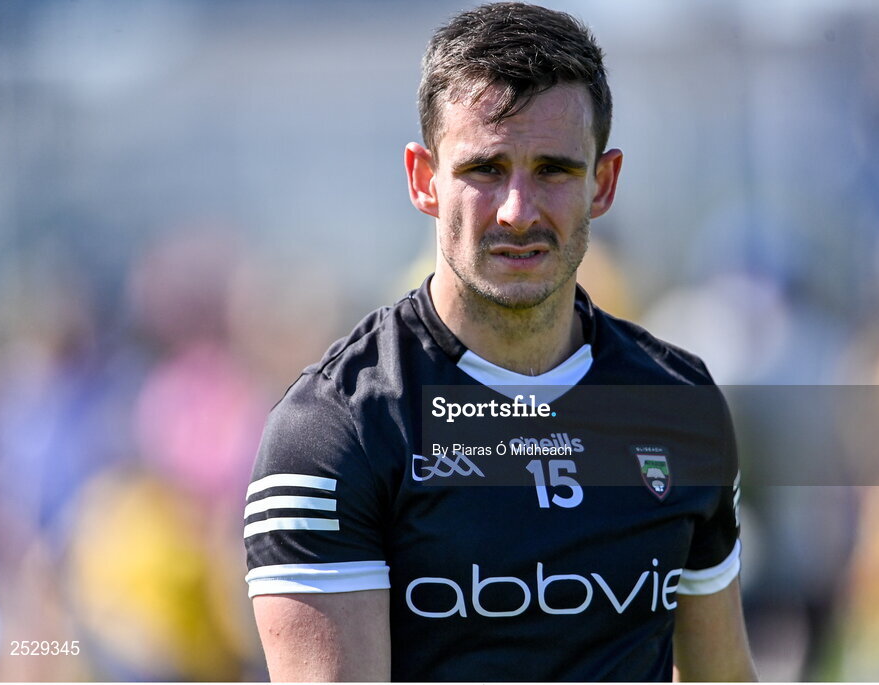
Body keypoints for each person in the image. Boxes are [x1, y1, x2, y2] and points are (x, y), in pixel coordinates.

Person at [244, 3, 756, 680]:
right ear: (424, 179)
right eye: (485, 169)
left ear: (602, 183)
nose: (518, 210)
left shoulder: (677, 403)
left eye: (553, 170)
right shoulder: (335, 431)